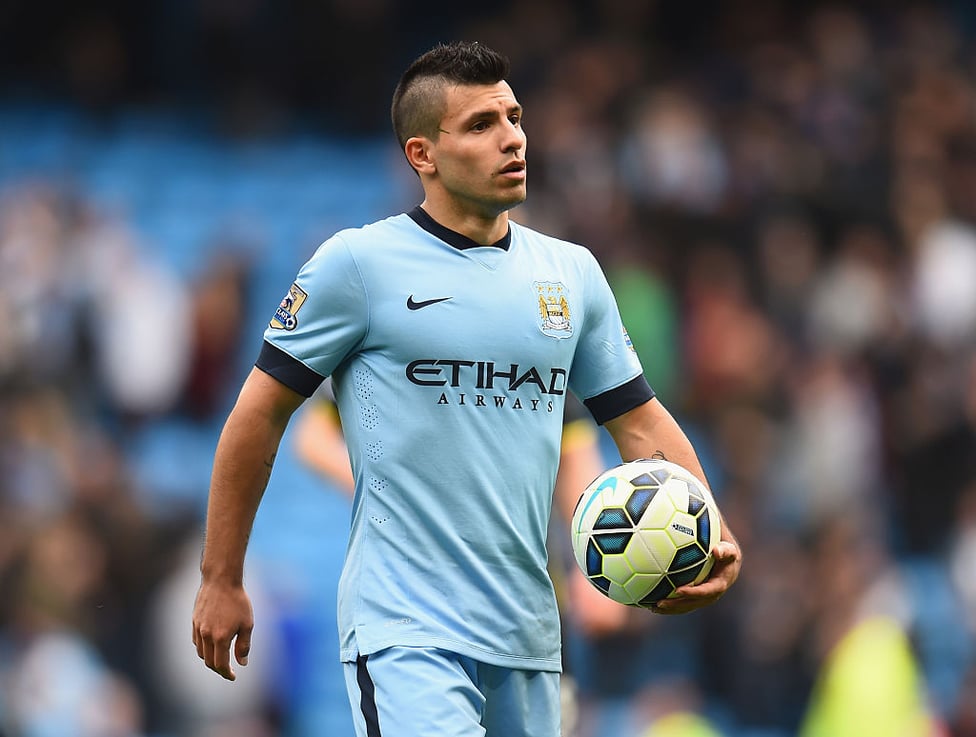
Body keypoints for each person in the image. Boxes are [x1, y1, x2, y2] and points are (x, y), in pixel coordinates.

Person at [191, 40, 742, 737]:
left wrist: (712, 527)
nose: (513, 138)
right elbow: (259, 416)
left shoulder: (571, 275)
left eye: (514, 117)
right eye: (482, 125)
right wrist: (220, 576)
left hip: (528, 635)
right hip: (404, 629)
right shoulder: (357, 265)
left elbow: (638, 422)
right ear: (423, 154)